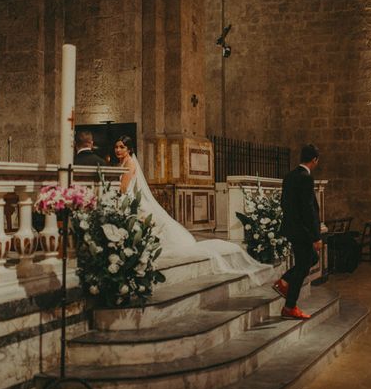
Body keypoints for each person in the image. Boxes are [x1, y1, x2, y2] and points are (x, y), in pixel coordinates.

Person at [111, 136, 272, 284]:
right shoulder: (124, 163)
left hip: (129, 200)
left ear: (129, 149)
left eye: (122, 147)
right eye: (116, 147)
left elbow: (124, 189)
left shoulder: (129, 164)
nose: (118, 150)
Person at [273, 144, 322, 320]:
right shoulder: (306, 178)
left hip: (292, 228)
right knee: (304, 264)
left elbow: (285, 204)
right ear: (314, 160)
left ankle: (285, 283)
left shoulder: (289, 176)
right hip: (303, 231)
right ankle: (289, 305)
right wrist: (316, 236)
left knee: (310, 260)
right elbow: (309, 209)